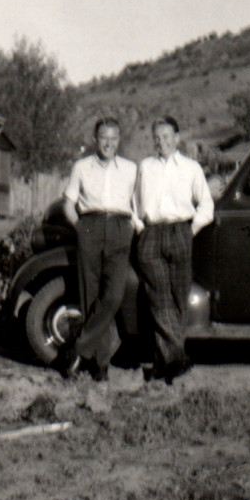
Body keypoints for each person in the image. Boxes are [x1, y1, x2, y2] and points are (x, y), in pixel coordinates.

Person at [134, 116, 214, 384]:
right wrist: (140, 228)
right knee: (159, 299)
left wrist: (190, 231)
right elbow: (133, 204)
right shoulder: (145, 167)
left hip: (181, 232)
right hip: (151, 234)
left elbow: (206, 206)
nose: (162, 142)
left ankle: (162, 365)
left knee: (178, 299)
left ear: (177, 138)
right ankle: (177, 359)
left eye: (167, 136)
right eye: (157, 137)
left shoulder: (191, 168)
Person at [62, 118, 137, 381]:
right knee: (91, 298)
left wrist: (131, 229)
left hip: (119, 229)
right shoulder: (81, 167)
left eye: (114, 138)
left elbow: (137, 204)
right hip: (90, 228)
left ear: (119, 140)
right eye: (104, 137)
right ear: (95, 139)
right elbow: (68, 203)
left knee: (113, 295)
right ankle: (100, 367)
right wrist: (80, 228)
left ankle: (78, 347)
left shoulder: (130, 169)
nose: (109, 143)